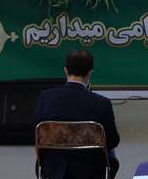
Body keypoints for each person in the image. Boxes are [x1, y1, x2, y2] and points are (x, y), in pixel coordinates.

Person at [35, 49, 121, 179]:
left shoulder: (45, 97)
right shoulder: (102, 103)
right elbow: (112, 141)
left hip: (54, 169)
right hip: (92, 171)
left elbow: (37, 135)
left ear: (65, 70)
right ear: (90, 73)